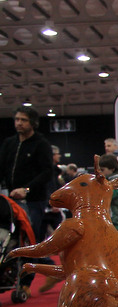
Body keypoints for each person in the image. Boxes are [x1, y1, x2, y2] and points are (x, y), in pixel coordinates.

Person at [0, 107, 58, 295]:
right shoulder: (9, 143)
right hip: (10, 201)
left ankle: (26, 283)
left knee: (30, 241)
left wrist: (27, 189)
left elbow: (47, 172)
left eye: (23, 120)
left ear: (32, 123)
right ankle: (51, 268)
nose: (18, 123)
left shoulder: (41, 144)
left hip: (34, 200)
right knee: (12, 241)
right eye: (16, 119)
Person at [97, 153, 118, 233]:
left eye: (102, 170)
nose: (100, 172)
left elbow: (108, 195)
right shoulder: (110, 181)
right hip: (113, 219)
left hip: (116, 221)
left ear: (112, 169)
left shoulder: (117, 182)